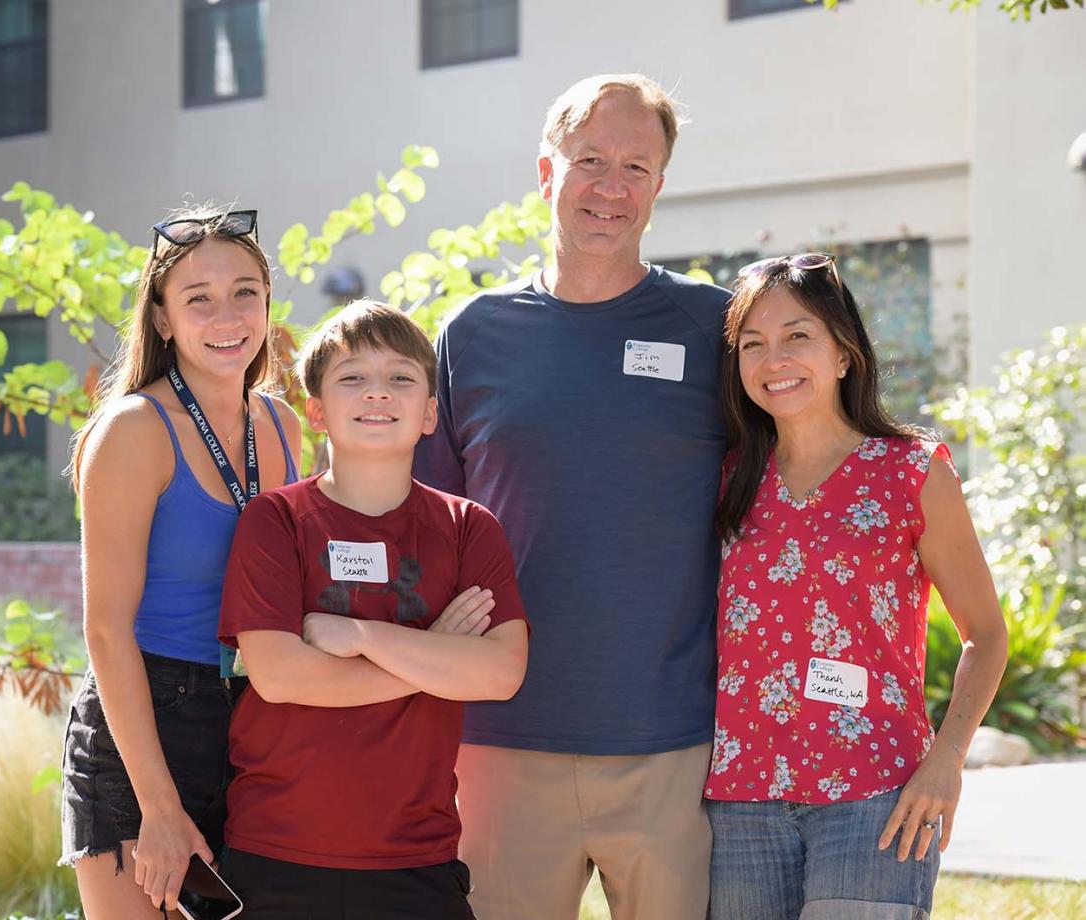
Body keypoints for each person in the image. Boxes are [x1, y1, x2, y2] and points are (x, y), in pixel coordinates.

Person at [413, 73, 729, 920]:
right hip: (502, 741)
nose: (612, 187)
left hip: (672, 741)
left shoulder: (718, 330)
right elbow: (428, 530)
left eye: (637, 166)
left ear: (660, 185)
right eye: (590, 159)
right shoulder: (472, 335)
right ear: (547, 172)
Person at [704, 253, 1008, 919]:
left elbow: (985, 635)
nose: (773, 359)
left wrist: (947, 760)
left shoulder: (911, 472)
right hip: (738, 801)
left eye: (797, 337)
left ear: (844, 353)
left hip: (876, 793)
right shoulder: (724, 480)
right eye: (752, 344)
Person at [217, 300, 530, 920]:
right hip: (277, 851)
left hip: (417, 857)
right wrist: (436, 654)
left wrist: (360, 634)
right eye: (352, 378)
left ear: (430, 413)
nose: (377, 393)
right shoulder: (275, 521)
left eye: (401, 378)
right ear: (317, 410)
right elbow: (280, 677)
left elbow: (500, 674)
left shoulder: (469, 528)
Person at [59, 206, 303, 918]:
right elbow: (105, 632)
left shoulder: (281, 425)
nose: (226, 315)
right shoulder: (134, 431)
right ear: (163, 319)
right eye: (198, 298)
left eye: (245, 292)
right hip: (146, 725)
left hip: (255, 721)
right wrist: (158, 809)